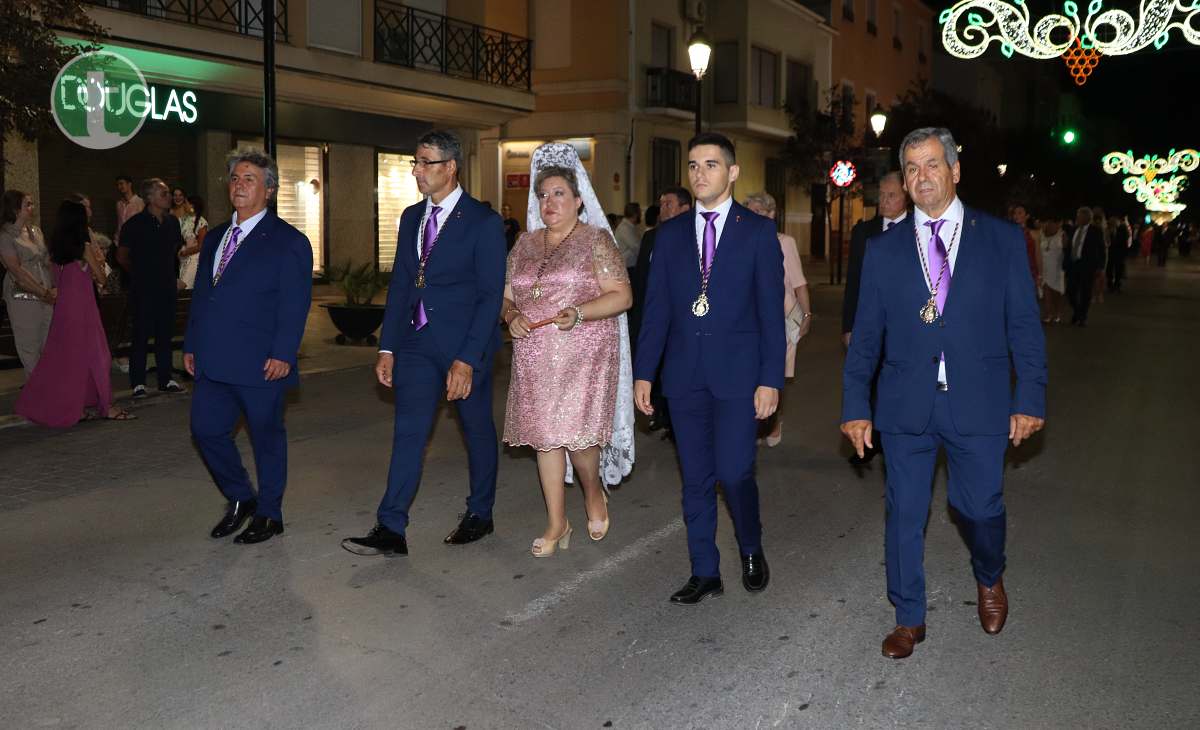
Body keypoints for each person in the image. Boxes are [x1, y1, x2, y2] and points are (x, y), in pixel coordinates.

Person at [841, 127, 1046, 659]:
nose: (921, 176)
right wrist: (855, 406)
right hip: (905, 403)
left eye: (932, 165)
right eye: (911, 168)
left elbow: (1024, 326)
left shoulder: (1001, 241)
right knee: (903, 513)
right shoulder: (883, 251)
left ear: (955, 171)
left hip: (978, 401)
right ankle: (908, 616)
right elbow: (865, 336)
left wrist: (1030, 398)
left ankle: (989, 573)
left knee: (977, 506)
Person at [634, 132, 785, 604]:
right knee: (695, 477)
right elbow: (656, 308)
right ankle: (705, 571)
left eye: (711, 165)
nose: (700, 174)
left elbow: (770, 314)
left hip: (740, 376)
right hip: (683, 376)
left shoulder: (757, 233)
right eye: (694, 165)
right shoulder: (669, 235)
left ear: (733, 172)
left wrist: (770, 379)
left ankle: (751, 545)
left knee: (735, 471)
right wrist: (644, 372)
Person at [342, 130, 506, 558]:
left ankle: (481, 512)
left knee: (475, 429)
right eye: (414, 162)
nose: (416, 170)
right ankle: (391, 526)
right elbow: (401, 285)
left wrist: (467, 359)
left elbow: (491, 296)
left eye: (425, 162)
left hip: (464, 347)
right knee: (409, 432)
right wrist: (387, 346)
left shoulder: (483, 222)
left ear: (450, 167)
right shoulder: (412, 218)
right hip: (416, 343)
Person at [501, 143, 635, 556]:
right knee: (545, 440)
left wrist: (579, 312)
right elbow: (506, 297)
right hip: (534, 354)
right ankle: (558, 523)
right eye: (543, 195)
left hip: (584, 353)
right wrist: (510, 316)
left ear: (579, 200)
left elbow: (622, 296)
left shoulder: (596, 241)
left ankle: (593, 492)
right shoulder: (524, 244)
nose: (549, 202)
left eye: (559, 193)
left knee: (578, 443)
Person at [185, 149, 313, 545]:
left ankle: (270, 514)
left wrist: (283, 353)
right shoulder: (216, 237)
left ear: (269, 190)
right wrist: (192, 343)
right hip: (213, 359)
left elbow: (296, 303)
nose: (239, 185)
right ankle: (241, 497)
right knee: (205, 431)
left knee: (266, 439)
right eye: (235, 179)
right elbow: (204, 293)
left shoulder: (289, 242)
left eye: (250, 179)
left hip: (261, 362)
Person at [15, 200, 134, 426]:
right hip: (84, 309)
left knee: (68, 358)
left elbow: (55, 280)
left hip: (63, 310)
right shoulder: (84, 247)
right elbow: (101, 277)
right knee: (99, 356)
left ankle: (77, 407)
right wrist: (97, 263)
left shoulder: (56, 250)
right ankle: (107, 406)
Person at [842, 172, 909, 465]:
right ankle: (867, 442)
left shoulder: (917, 230)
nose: (884, 201)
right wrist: (848, 326)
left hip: (903, 326)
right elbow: (853, 282)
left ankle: (890, 437)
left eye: (891, 195)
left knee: (894, 385)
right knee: (866, 381)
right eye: (881, 195)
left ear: (905, 196)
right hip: (868, 323)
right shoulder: (864, 232)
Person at [743, 191, 810, 447]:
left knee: (776, 373)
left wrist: (806, 315)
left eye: (758, 211)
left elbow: (799, 283)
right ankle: (757, 421)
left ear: (771, 215)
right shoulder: (741, 241)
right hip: (749, 320)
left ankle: (773, 419)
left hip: (781, 318)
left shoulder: (785, 242)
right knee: (751, 373)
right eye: (749, 210)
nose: (753, 216)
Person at [631, 187, 692, 436]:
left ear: (685, 209)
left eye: (668, 204)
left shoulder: (693, 238)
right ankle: (660, 412)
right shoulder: (651, 237)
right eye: (662, 203)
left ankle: (675, 419)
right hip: (652, 314)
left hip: (680, 320)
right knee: (654, 368)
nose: (662, 208)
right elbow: (642, 279)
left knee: (675, 369)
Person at [118, 178, 187, 396]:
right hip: (143, 288)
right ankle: (138, 382)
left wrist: (171, 275)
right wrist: (139, 274)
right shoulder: (135, 224)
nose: (169, 197)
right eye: (164, 193)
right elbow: (122, 256)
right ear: (150, 198)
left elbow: (174, 251)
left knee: (165, 333)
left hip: (166, 286)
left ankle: (165, 379)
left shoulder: (172, 223)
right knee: (141, 333)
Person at [1, 190, 55, 377]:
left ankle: (48, 386)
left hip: (45, 291)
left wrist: (54, 287)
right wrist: (41, 291)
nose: (32, 208)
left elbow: (47, 261)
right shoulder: (5, 235)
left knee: (48, 342)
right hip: (22, 293)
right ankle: (37, 392)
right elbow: (16, 270)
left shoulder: (35, 231)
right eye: (28, 205)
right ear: (15, 209)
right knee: (29, 344)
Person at [1065, 206, 1105, 327]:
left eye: (1080, 216)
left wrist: (1100, 267)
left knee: (1085, 292)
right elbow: (1069, 246)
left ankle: (1082, 316)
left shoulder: (1095, 231)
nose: (1077, 218)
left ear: (1087, 217)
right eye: (1077, 216)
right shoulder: (1073, 229)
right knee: (1070, 291)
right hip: (1073, 264)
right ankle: (1078, 312)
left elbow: (1101, 249)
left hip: (1087, 265)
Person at [174, 191, 208, 289]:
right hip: (183, 257)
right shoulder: (183, 219)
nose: (184, 205)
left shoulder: (201, 222)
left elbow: (201, 245)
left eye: (186, 203)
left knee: (184, 286)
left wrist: (187, 251)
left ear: (192, 205)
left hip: (193, 258)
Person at [1038, 218, 1067, 323]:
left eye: (1052, 223)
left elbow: (1067, 251)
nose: (1049, 225)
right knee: (1045, 291)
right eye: (1047, 222)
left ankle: (1057, 313)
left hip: (1057, 268)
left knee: (1056, 293)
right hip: (1044, 267)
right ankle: (1048, 313)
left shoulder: (1062, 235)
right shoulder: (1040, 234)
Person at [1010, 204, 1040, 285]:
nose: (1016, 215)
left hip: (1029, 273)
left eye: (1019, 213)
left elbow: (1037, 256)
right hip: (1014, 273)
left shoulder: (1033, 234)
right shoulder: (1010, 234)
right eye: (1014, 213)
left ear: (1027, 216)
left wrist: (1039, 275)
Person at [614, 202, 643, 275]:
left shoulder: (630, 227)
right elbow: (636, 247)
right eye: (640, 212)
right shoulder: (624, 228)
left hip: (631, 266)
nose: (641, 215)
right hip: (627, 268)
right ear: (635, 214)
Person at [114, 174, 143, 245]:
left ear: (129, 184)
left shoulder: (140, 202)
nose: (119, 187)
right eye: (118, 185)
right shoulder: (119, 204)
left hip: (135, 242)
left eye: (121, 184)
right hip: (119, 241)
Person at [1090, 207, 1109, 304]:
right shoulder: (1092, 228)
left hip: (1102, 252)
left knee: (1100, 275)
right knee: (1094, 276)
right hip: (1093, 253)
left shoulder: (1104, 229)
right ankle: (1094, 294)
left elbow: (1107, 242)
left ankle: (1099, 294)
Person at [1107, 214, 1130, 292]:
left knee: (1118, 270)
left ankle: (1117, 285)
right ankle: (1110, 284)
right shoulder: (1108, 229)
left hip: (1119, 253)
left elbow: (1124, 241)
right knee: (1109, 269)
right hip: (1110, 253)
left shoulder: (1122, 229)